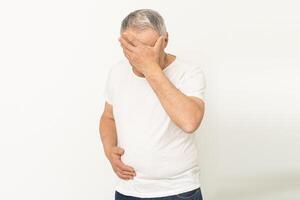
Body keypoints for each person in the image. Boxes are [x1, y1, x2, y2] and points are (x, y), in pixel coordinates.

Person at [99, 9, 206, 200]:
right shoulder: (117, 72)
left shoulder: (189, 73)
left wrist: (149, 68)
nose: (139, 56)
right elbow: (108, 116)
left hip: (178, 191)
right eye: (131, 48)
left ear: (164, 41)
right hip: (128, 190)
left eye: (147, 48)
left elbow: (189, 121)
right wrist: (109, 150)